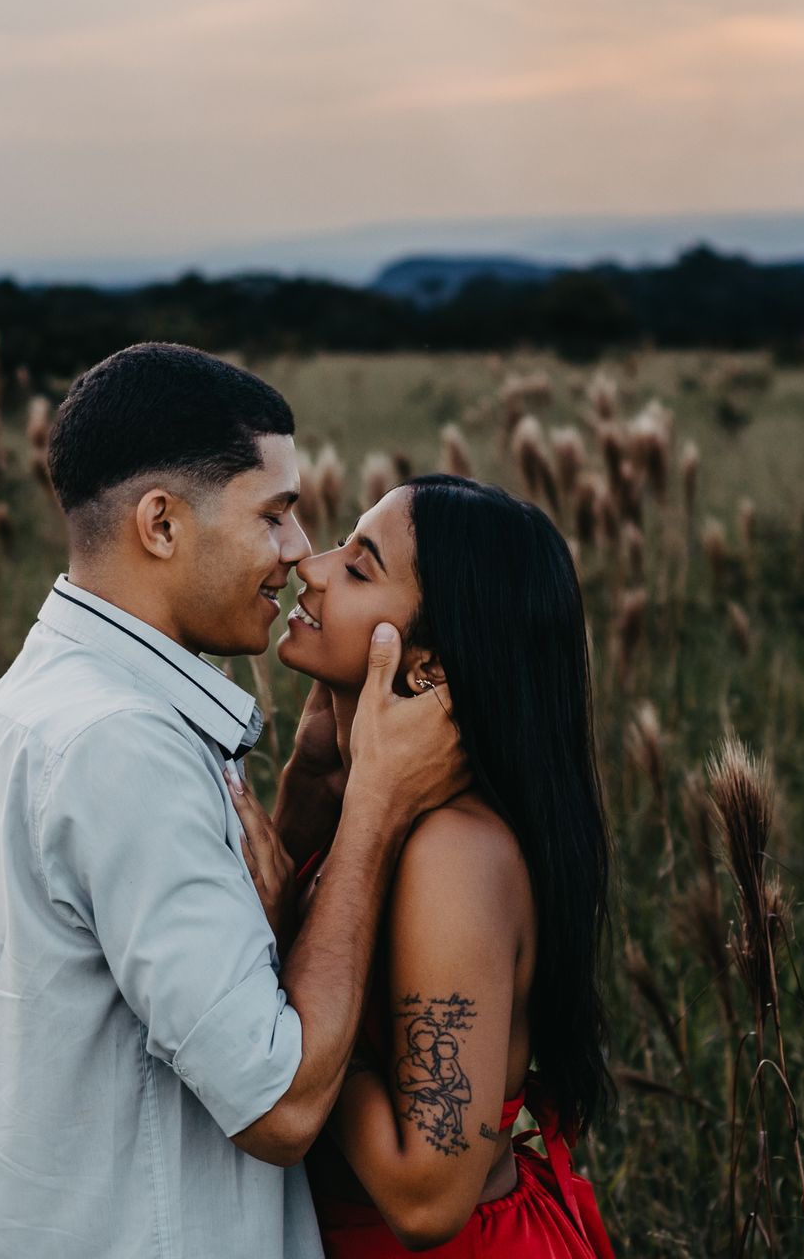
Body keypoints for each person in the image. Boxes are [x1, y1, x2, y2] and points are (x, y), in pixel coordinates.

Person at [0, 343, 467, 1257]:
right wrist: (378, 811)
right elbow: (281, 1102)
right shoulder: (121, 745)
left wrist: (309, 796)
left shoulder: (36, 701)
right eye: (275, 516)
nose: (300, 554)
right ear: (161, 524)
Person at [231, 474, 617, 1257]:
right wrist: (311, 782)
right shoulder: (367, 805)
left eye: (360, 566)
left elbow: (427, 1193)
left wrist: (286, 975)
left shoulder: (453, 853)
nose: (312, 567)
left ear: (431, 666)